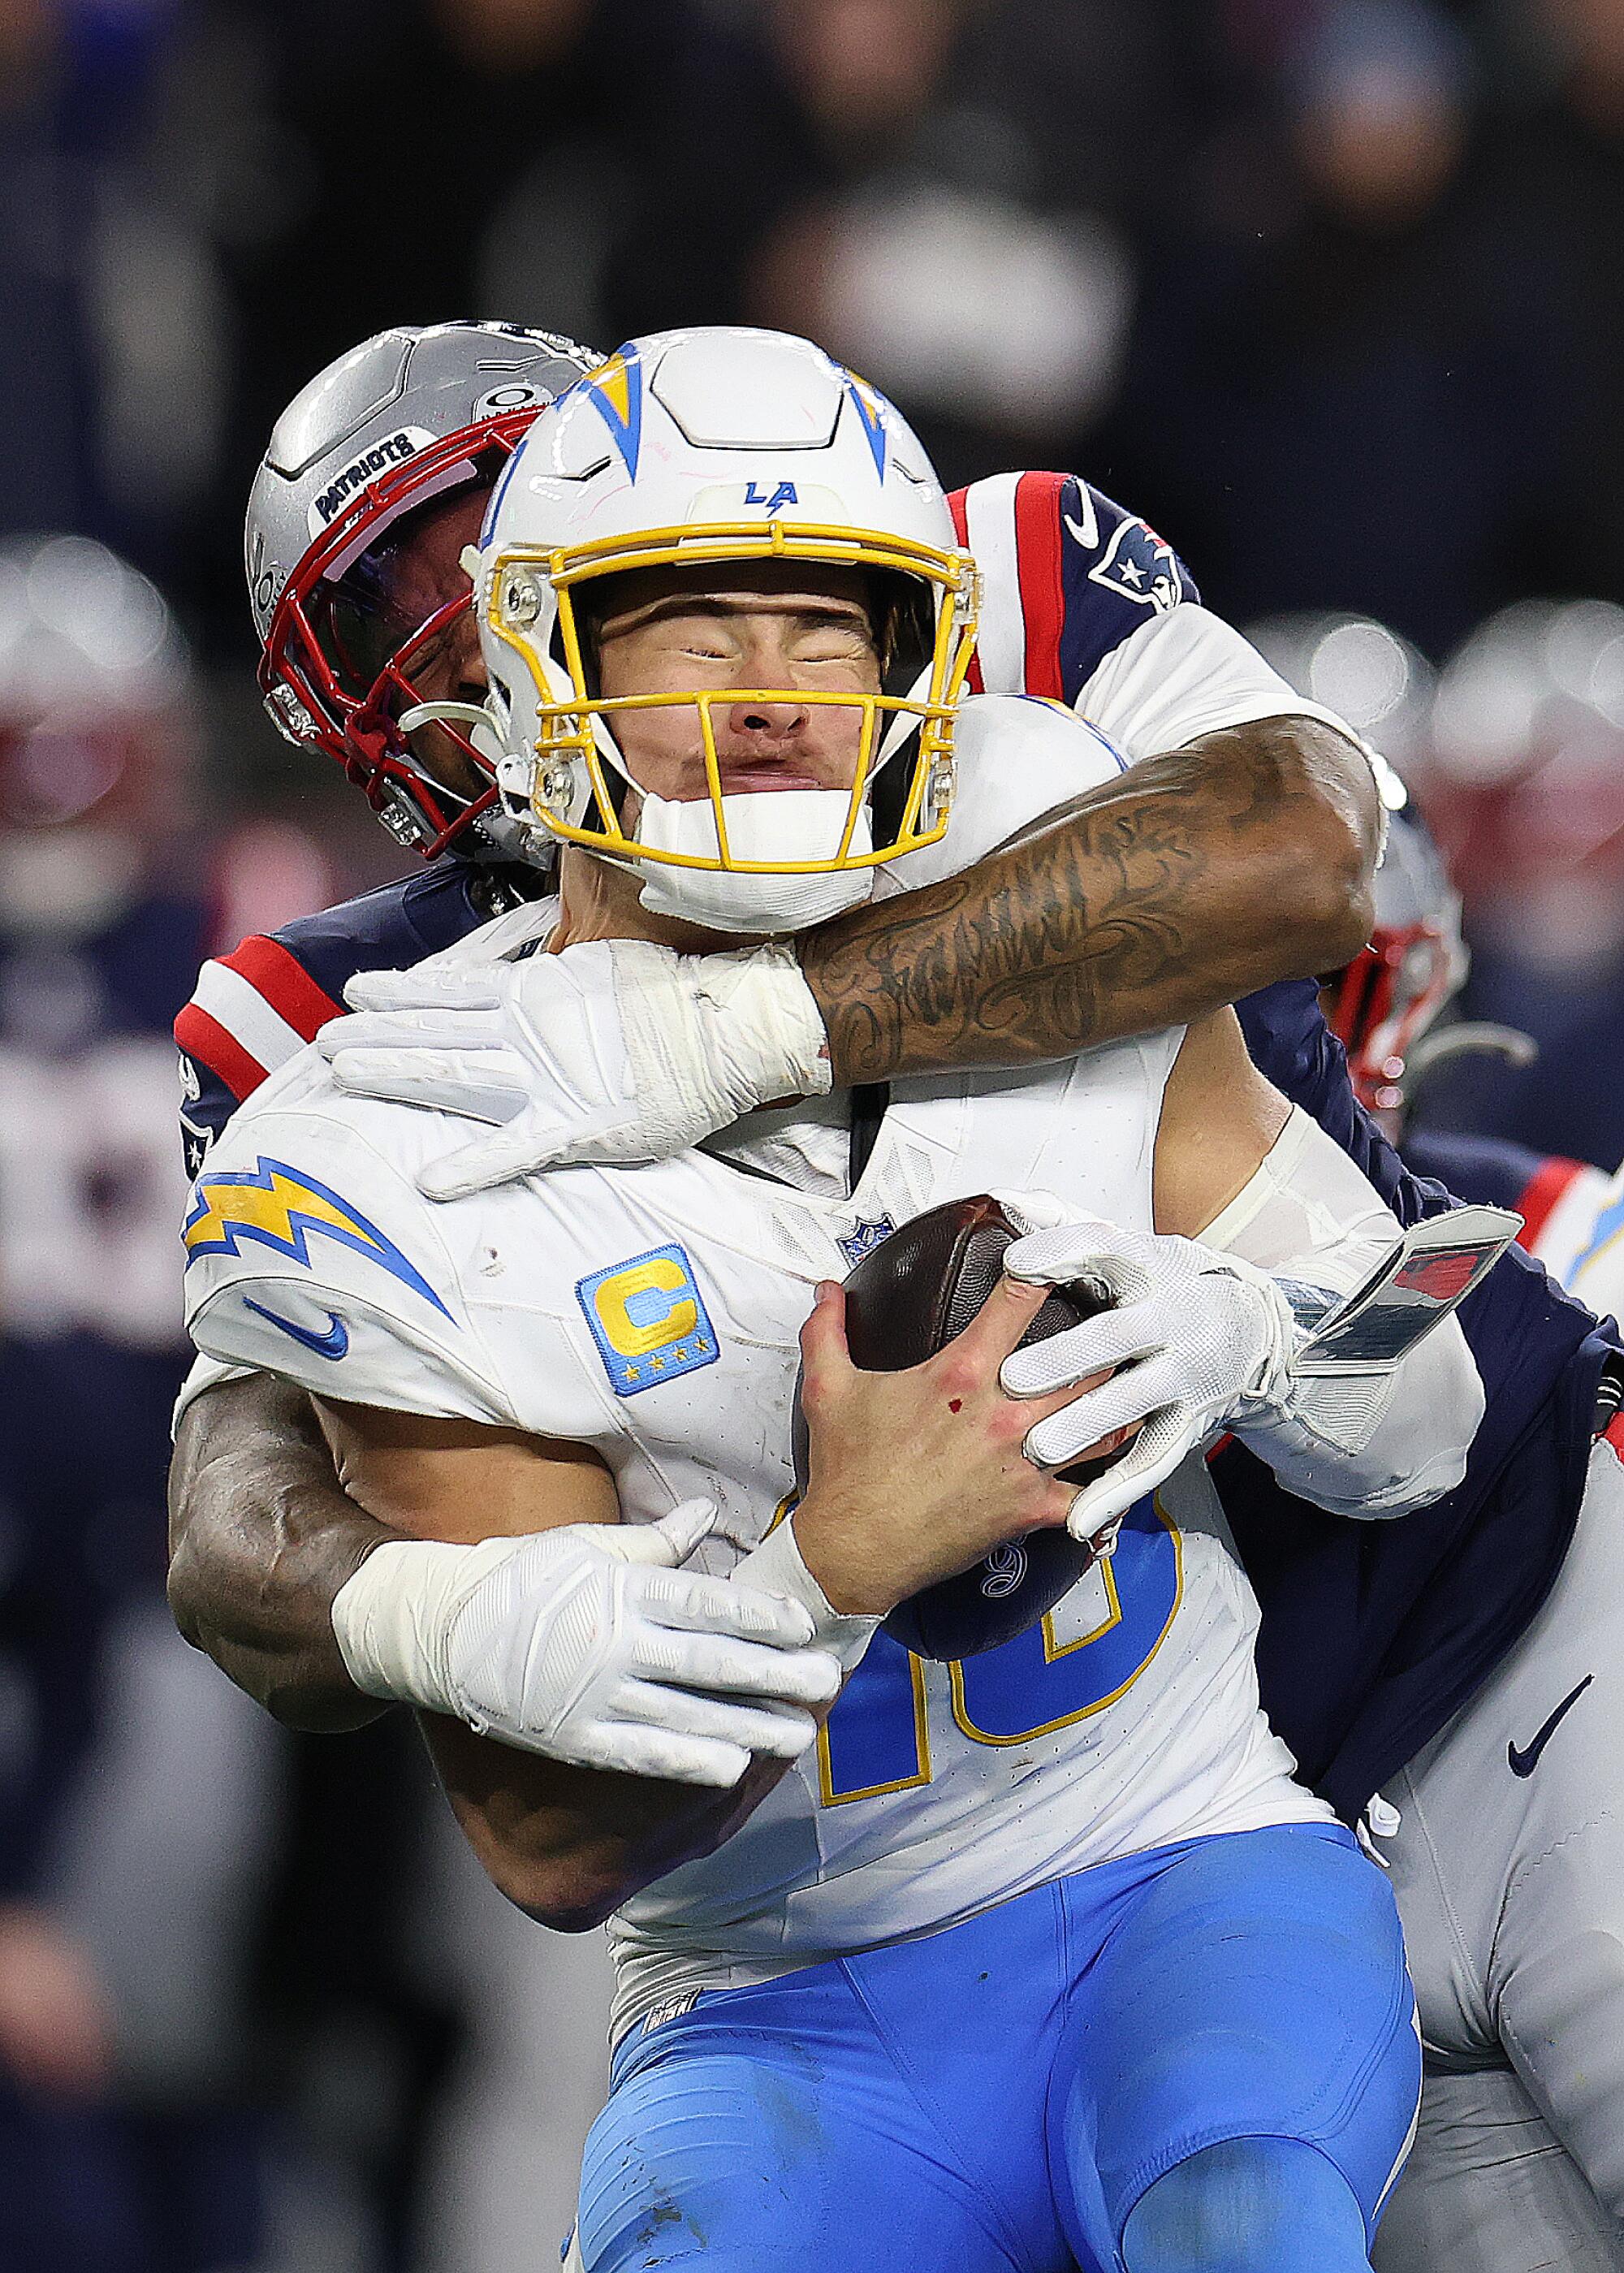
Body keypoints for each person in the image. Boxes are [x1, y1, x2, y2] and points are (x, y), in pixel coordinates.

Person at [178, 325, 1496, 2272]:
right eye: (691, 633)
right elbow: (528, 1814)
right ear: (549, 658)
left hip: (1226, 1807)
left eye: (826, 630)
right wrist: (776, 1566)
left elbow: (1311, 875)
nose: (772, 696)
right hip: (776, 1970)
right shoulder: (355, 1089)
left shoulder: (1045, 813)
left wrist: (1250, 1333)